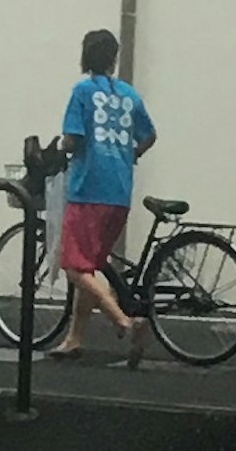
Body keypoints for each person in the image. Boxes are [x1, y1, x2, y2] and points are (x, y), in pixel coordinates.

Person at [45, 26, 156, 363]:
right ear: (113, 58)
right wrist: (129, 154)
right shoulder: (129, 95)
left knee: (74, 267)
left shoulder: (82, 91)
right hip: (119, 193)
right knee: (91, 266)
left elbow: (74, 139)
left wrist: (62, 145)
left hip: (88, 188)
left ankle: (124, 320)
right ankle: (74, 339)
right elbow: (150, 136)